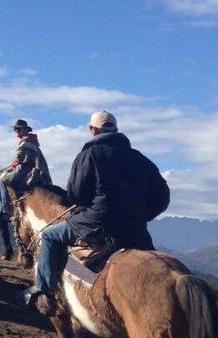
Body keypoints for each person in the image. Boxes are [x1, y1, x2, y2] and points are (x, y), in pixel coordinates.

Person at [25, 110, 170, 316]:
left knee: (49, 235)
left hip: (96, 224)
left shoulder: (89, 155)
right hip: (136, 230)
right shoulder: (141, 159)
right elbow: (162, 198)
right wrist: (139, 215)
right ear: (117, 130)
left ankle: (44, 292)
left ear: (92, 130)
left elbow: (75, 196)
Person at [0, 119, 51, 219]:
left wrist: (13, 165)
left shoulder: (25, 142)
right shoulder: (31, 140)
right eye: (15, 129)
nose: (16, 131)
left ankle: (5, 209)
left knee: (2, 181)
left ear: (24, 130)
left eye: (18, 129)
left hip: (27, 170)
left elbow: (18, 159)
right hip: (30, 168)